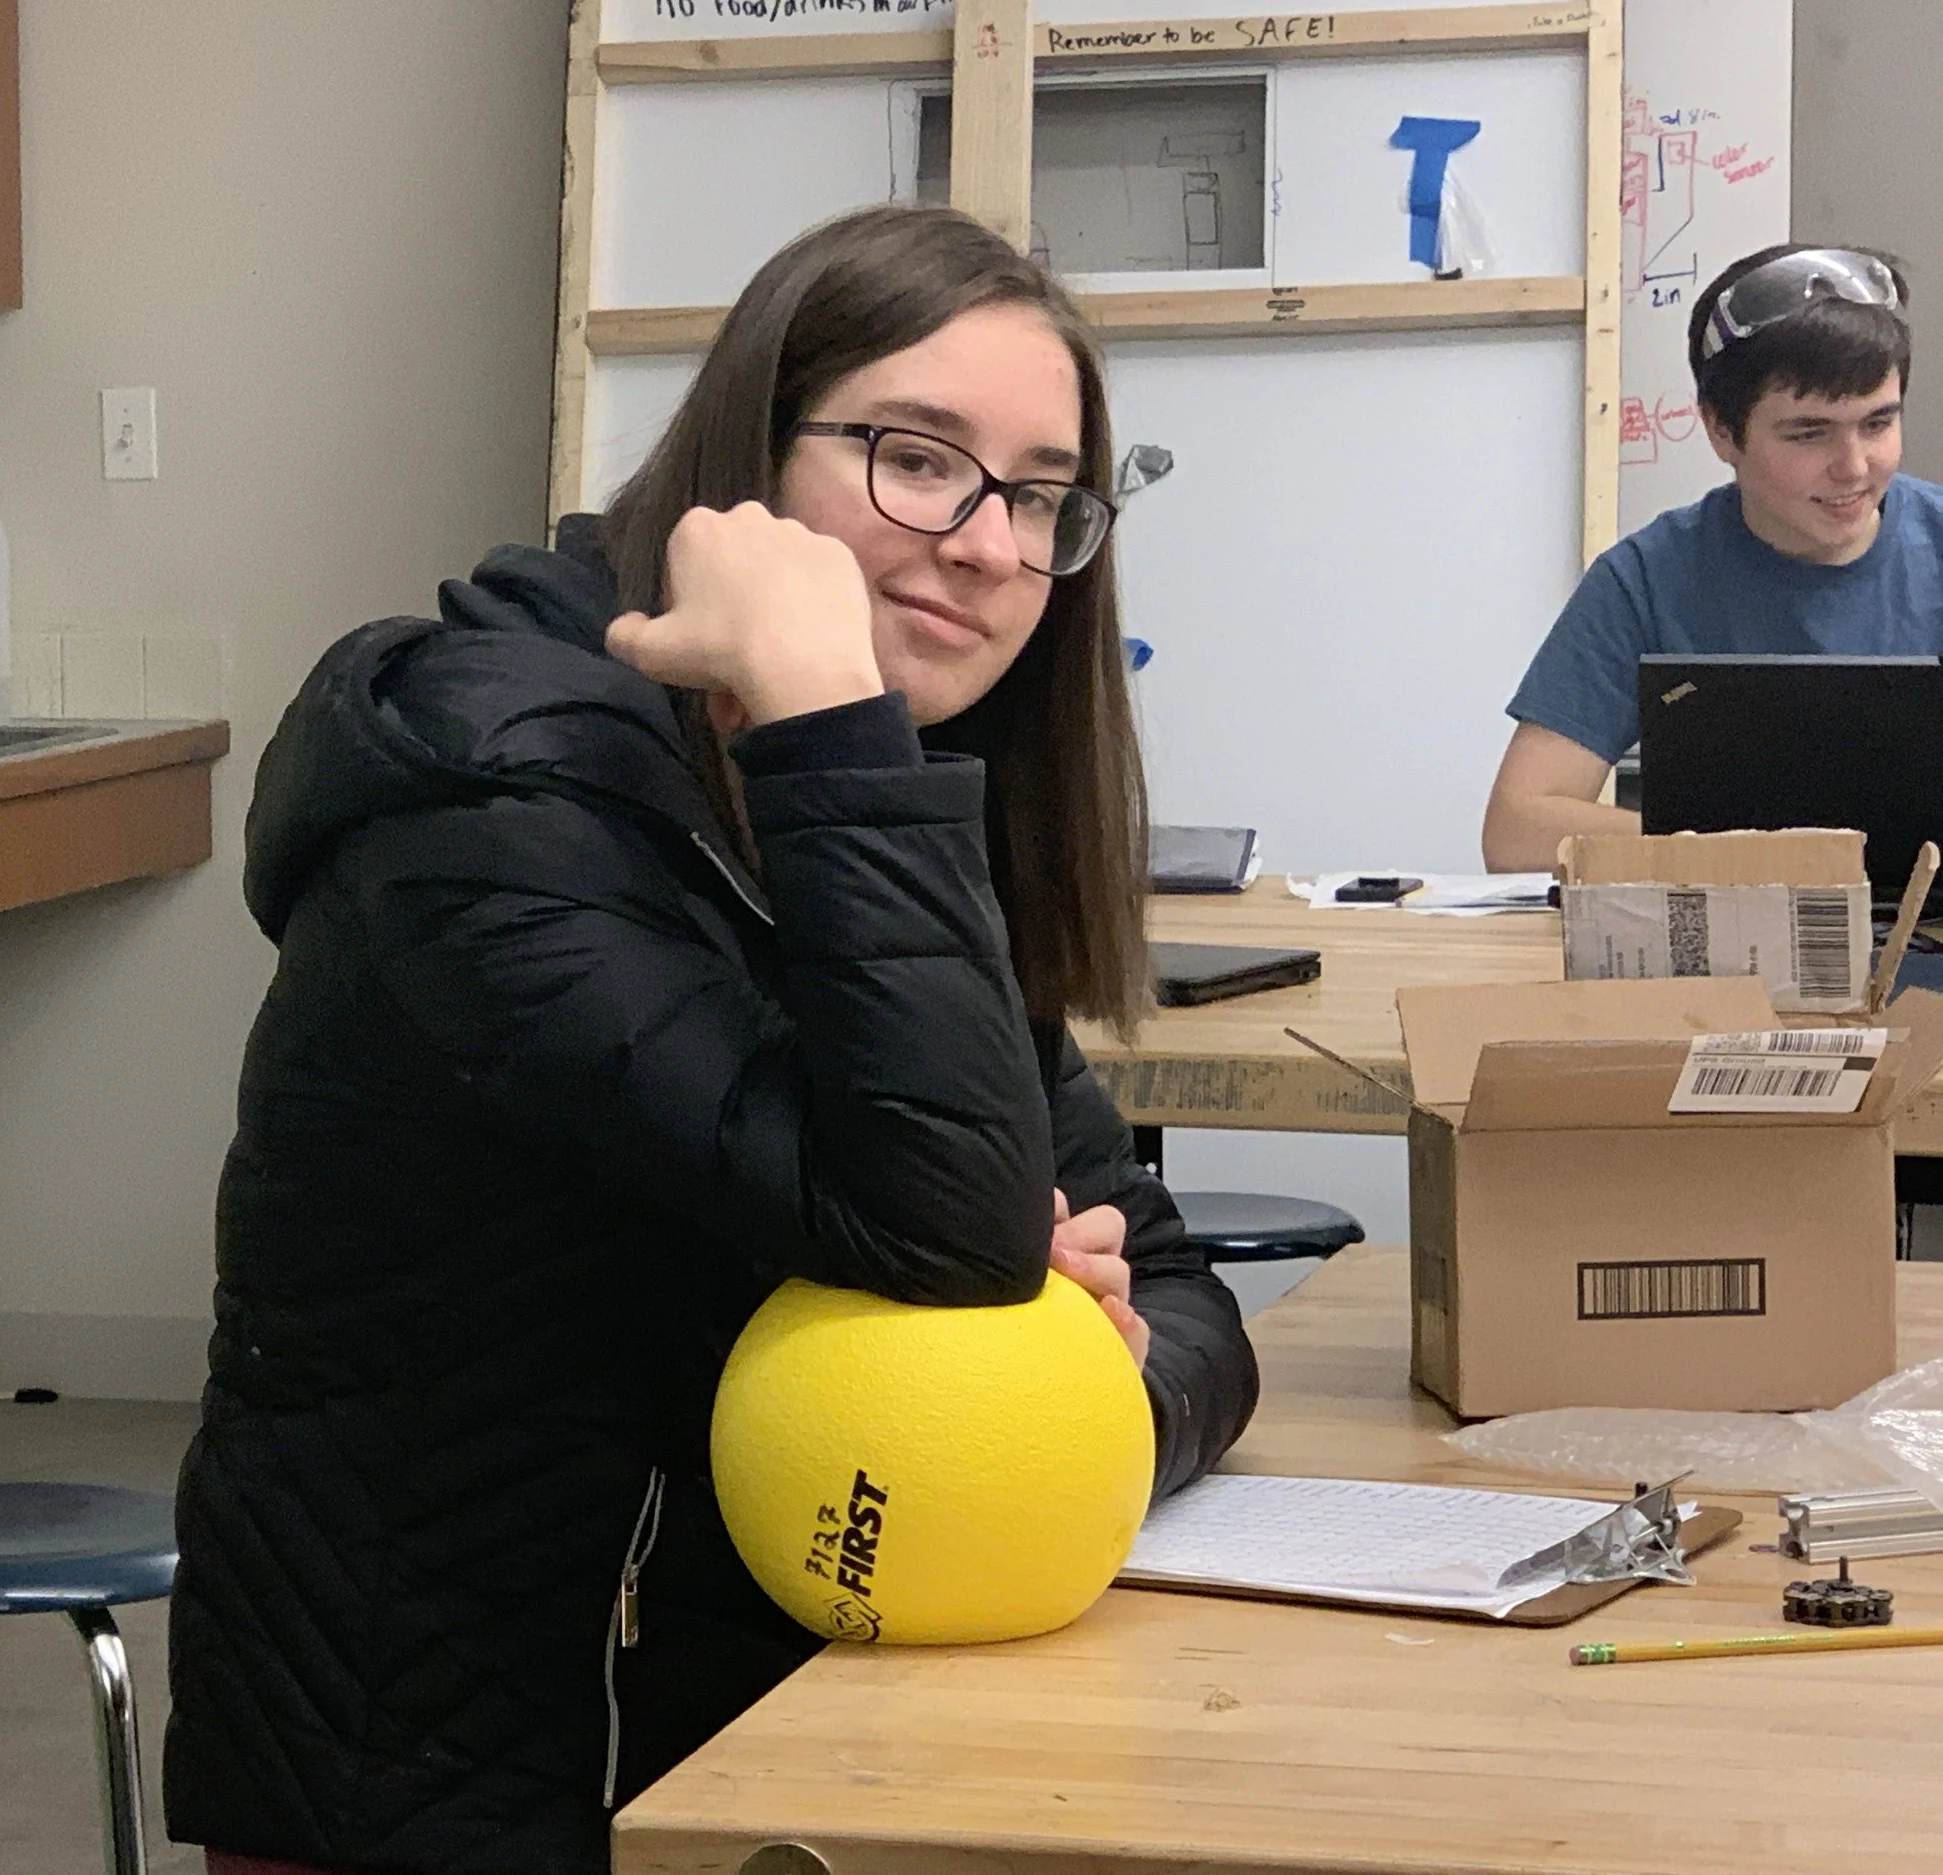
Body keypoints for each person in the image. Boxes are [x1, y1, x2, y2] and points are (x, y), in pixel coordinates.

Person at [164, 203, 1260, 1875]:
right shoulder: (494, 799)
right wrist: (831, 715)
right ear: (747, 457)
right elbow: (955, 1225)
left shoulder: (867, 817)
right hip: (442, 1768)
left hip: (766, 1735)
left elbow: (1174, 1288)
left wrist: (1080, 1374)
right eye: (917, 459)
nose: (988, 543)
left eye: (1042, 496)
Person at [1484, 244, 1938, 870]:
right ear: (1720, 430)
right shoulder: (1646, 580)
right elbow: (1517, 831)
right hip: (1734, 919)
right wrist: (1761, 858)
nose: (1854, 467)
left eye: (1878, 424)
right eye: (1809, 433)